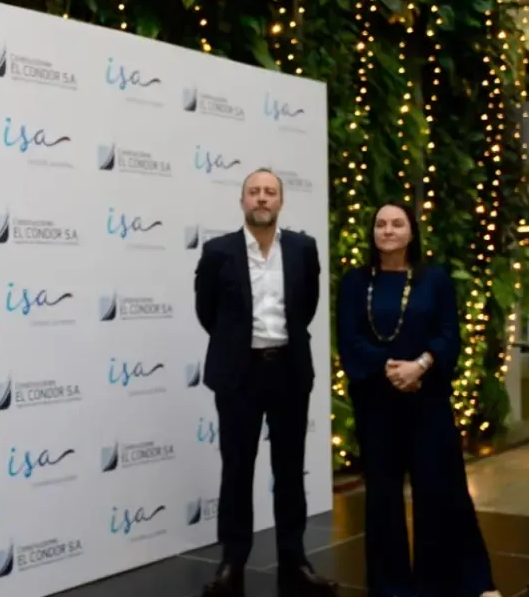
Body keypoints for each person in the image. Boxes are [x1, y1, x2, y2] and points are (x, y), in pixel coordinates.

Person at [336, 202, 500, 597]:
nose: (388, 230)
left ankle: (451, 583)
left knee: (440, 491)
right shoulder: (356, 282)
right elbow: (349, 339)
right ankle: (390, 586)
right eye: (381, 224)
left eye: (397, 224)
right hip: (377, 403)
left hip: (427, 401)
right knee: (383, 496)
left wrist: (420, 367)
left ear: (411, 232)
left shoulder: (435, 279)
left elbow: (448, 334)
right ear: (373, 232)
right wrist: (392, 369)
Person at [194, 168, 338, 597]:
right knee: (236, 469)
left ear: (280, 201)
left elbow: (306, 306)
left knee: (290, 469)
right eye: (254, 192)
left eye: (269, 192)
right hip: (238, 373)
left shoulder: (302, 249)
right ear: (242, 201)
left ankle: (295, 560)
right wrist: (239, 343)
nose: (262, 198)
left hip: (288, 370)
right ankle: (232, 563)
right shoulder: (217, 251)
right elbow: (207, 312)